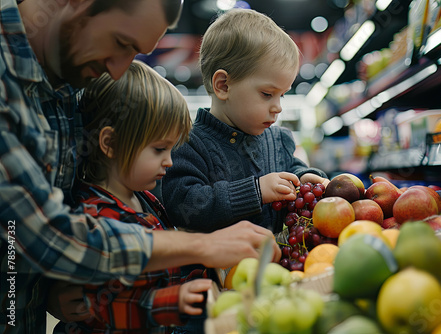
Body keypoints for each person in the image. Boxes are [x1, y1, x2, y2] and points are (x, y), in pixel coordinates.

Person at [0, 0, 280, 332]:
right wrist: (203, 246)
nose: (117, 69)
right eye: (121, 43)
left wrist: (50, 288)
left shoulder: (68, 78)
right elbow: (44, 232)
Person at [52, 60, 211, 334]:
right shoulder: (94, 216)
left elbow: (160, 274)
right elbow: (101, 307)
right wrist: (175, 301)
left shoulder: (145, 198)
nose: (170, 162)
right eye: (159, 149)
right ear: (110, 143)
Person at [161, 9, 329, 234]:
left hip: (277, 263)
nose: (278, 107)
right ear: (223, 86)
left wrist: (304, 177)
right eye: (267, 94)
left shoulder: (277, 139)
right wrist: (256, 191)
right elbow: (183, 208)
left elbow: (290, 168)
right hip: (217, 267)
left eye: (283, 94)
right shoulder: (189, 145)